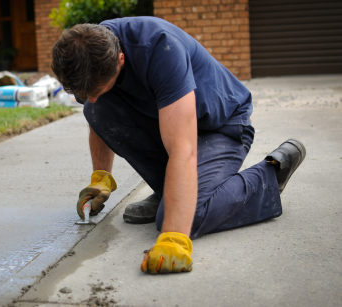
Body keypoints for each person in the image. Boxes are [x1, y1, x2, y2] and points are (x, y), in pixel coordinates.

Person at [51, 17, 306, 274]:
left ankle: (269, 177)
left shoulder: (159, 48)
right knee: (96, 111)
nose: (90, 98)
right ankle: (169, 192)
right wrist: (100, 178)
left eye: (97, 89)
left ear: (120, 60)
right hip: (169, 123)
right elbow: (98, 112)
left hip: (221, 127)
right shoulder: (90, 49)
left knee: (180, 219)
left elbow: (183, 149)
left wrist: (174, 236)